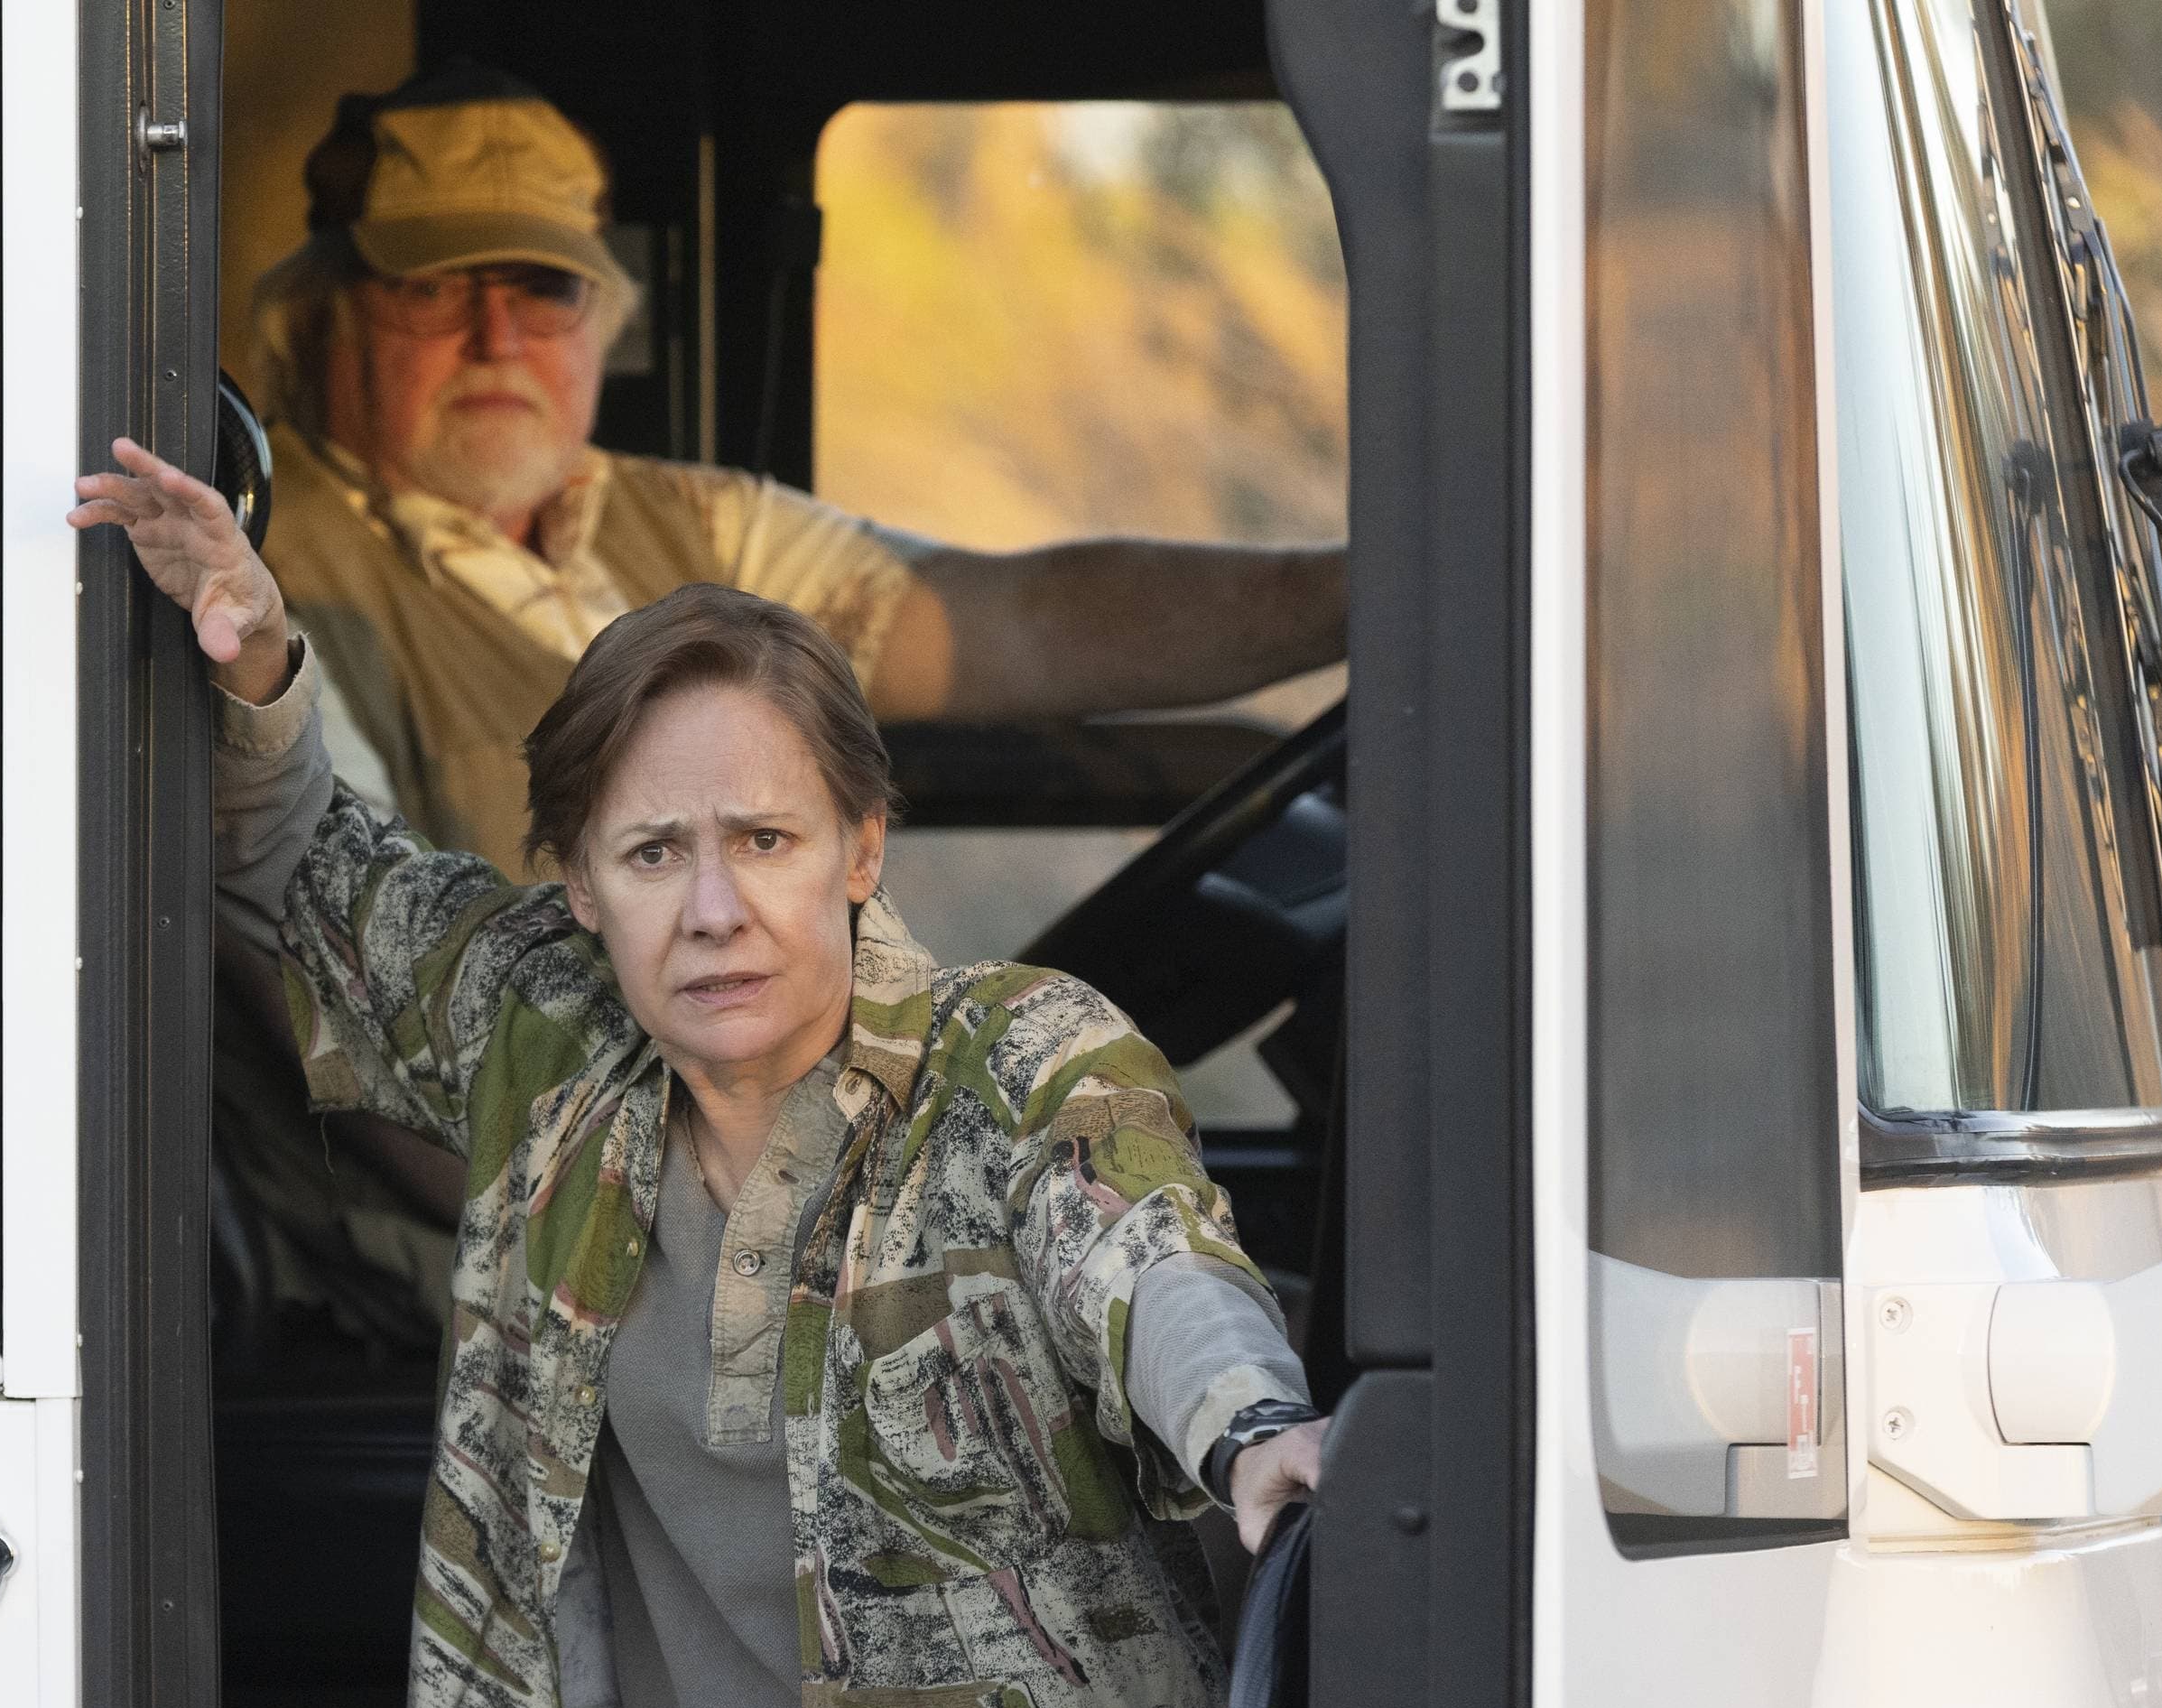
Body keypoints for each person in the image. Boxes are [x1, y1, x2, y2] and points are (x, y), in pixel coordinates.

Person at [77, 436, 1327, 1708]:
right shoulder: (550, 1042)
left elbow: (1143, 1258)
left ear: (862, 849)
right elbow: (308, 865)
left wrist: (1253, 1427)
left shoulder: (1015, 1058)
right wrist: (259, 652)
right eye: (657, 853)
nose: (717, 910)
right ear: (581, 886)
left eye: (766, 841)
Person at [219, 62, 1350, 1355]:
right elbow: (387, 1060)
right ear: (324, 314)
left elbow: (1026, 621)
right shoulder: (278, 589)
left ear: (602, 316)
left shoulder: (674, 523)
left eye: (542, 288)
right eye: (432, 288)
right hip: (539, 1307)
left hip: (771, 1213)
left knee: (1261, 1332)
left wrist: (1372, 594)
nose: (497, 338)